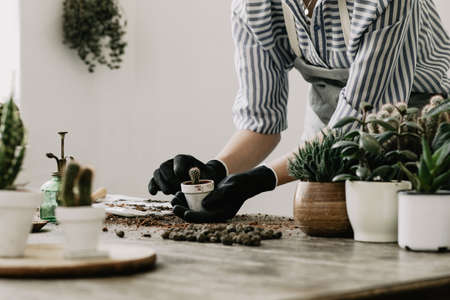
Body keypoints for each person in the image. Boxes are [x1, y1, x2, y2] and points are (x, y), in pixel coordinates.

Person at [149, 0, 450, 223]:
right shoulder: (254, 7)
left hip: (420, 123)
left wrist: (261, 179)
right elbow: (261, 124)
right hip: (327, 119)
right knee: (323, 230)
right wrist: (217, 169)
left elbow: (362, 118)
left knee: (406, 233)